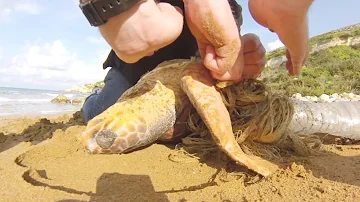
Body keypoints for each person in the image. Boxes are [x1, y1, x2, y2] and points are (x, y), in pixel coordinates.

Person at [79, 0, 314, 123]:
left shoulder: (231, 9)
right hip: (133, 75)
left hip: (185, 89)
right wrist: (108, 5)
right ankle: (93, 97)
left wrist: (244, 58)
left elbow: (221, 69)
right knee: (105, 116)